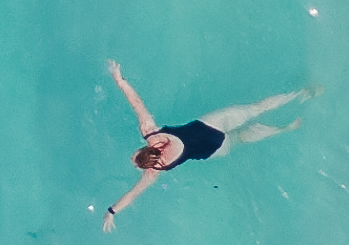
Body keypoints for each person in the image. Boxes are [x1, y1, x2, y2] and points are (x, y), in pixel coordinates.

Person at [89, 59, 315, 227]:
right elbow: (136, 103)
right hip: (210, 125)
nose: (133, 160)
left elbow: (134, 193)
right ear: (145, 148)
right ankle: (300, 94)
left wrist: (112, 211)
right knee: (256, 108)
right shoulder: (151, 133)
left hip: (214, 149)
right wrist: (119, 80)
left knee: (241, 137)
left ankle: (284, 128)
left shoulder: (154, 173)